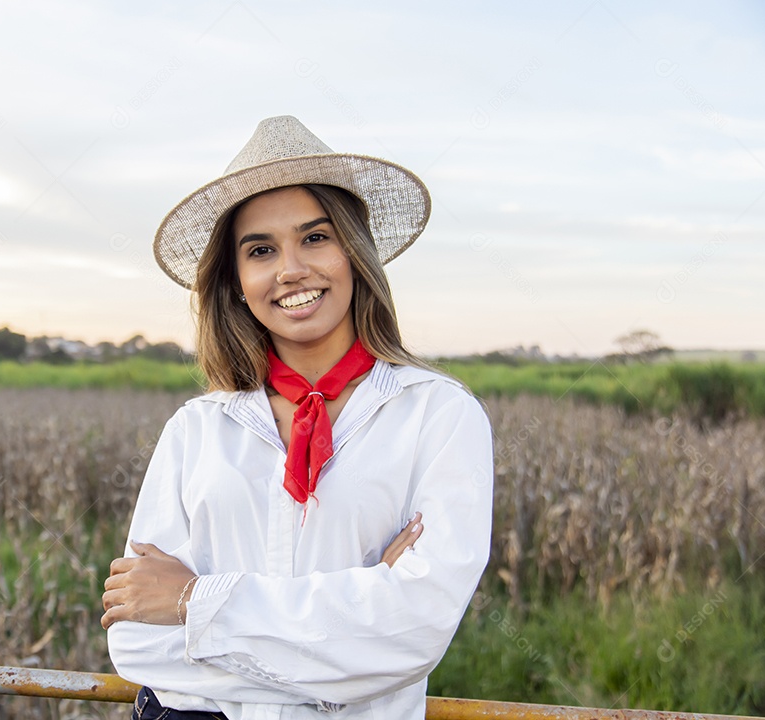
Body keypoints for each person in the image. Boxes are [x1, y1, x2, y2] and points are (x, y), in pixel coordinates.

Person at [101, 116, 493, 720]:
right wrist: (353, 634)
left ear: (354, 254)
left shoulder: (438, 415)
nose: (290, 269)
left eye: (315, 238)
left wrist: (192, 602)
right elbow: (138, 641)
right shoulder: (197, 428)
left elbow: (412, 632)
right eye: (261, 250)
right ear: (235, 281)